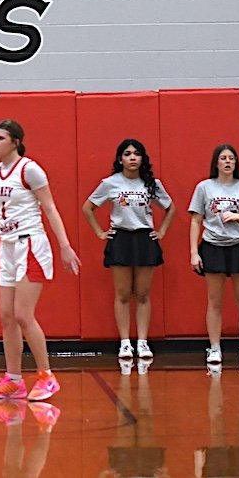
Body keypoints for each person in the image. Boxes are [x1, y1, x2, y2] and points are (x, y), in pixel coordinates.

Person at [0, 119, 80, 402]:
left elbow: (50, 208)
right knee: (7, 318)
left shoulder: (29, 169)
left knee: (23, 315)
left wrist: (65, 246)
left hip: (30, 244)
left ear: (15, 142)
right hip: (6, 248)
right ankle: (13, 379)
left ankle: (46, 376)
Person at [82, 139, 175, 360]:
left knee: (143, 294)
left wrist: (161, 231)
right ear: (120, 159)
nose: (132, 158)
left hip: (144, 239)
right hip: (121, 239)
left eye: (136, 154)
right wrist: (99, 232)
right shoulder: (110, 183)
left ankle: (142, 342)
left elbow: (170, 208)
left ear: (143, 158)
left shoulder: (152, 183)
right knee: (123, 294)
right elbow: (88, 208)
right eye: (127, 154)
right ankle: (125, 343)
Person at [189, 143, 239, 365]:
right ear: (216, 162)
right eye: (223, 158)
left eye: (231, 158)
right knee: (214, 300)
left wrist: (238, 217)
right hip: (213, 245)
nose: (227, 161)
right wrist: (194, 252)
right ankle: (214, 348)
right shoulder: (204, 187)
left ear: (236, 162)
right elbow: (195, 220)